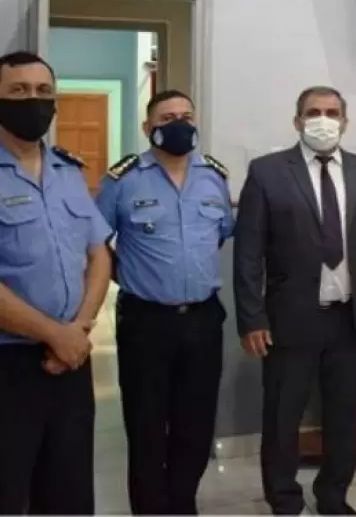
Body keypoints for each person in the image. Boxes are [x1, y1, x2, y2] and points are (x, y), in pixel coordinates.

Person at [234, 86, 356, 516]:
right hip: (289, 318)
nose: (323, 120)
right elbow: (248, 253)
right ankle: (284, 498)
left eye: (332, 112)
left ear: (345, 121)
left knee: (344, 416)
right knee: (282, 416)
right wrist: (252, 318)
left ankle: (333, 495)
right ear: (297, 121)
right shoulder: (268, 172)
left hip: (351, 319)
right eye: (313, 112)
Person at [94, 89, 234, 514]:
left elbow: (220, 234)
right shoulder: (123, 179)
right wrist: (129, 276)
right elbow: (95, 243)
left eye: (186, 115)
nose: (179, 123)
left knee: (196, 424)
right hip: (146, 321)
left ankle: (183, 502)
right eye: (168, 117)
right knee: (147, 426)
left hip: (203, 319)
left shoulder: (214, 177)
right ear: (147, 127)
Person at [0, 51, 112, 514]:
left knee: (68, 493)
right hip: (9, 364)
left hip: (71, 361)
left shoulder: (69, 171)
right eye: (19, 91)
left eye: (43, 91)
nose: (34, 100)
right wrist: (55, 335)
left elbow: (99, 254)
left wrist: (79, 329)